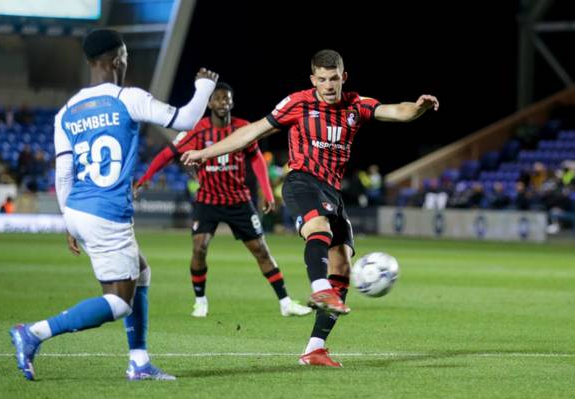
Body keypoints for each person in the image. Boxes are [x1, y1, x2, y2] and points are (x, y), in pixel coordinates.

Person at [182, 49, 439, 367]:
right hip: (302, 181)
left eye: (334, 79)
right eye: (322, 79)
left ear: (343, 77)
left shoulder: (356, 106)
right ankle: (320, 290)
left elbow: (395, 111)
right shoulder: (297, 103)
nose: (329, 85)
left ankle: (314, 349)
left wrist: (418, 108)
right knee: (319, 228)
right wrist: (206, 153)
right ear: (313, 79)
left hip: (332, 190)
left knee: (342, 265)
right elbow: (252, 132)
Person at [9, 28, 218, 381]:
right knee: (120, 301)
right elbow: (185, 120)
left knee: (142, 272)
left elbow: (63, 174)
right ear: (119, 58)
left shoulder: (66, 112)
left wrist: (68, 223)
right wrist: (205, 86)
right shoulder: (128, 97)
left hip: (77, 208)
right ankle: (33, 333)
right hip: (106, 213)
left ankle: (139, 361)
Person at [135, 82, 311, 318]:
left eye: (227, 99)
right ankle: (200, 301)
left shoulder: (242, 128)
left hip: (239, 200)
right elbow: (168, 154)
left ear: (232, 102)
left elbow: (257, 159)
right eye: (218, 99)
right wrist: (145, 178)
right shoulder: (198, 130)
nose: (223, 103)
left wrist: (267, 193)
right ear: (209, 103)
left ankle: (285, 302)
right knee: (199, 248)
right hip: (208, 200)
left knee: (261, 250)